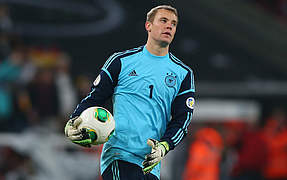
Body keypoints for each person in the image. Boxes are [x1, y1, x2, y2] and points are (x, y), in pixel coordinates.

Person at [64, 5, 195, 180]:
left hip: (151, 164)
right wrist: (72, 122)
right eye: (163, 21)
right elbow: (95, 98)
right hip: (119, 155)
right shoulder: (121, 61)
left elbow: (182, 119)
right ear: (148, 25)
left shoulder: (183, 73)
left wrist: (165, 146)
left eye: (173, 23)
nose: (169, 26)